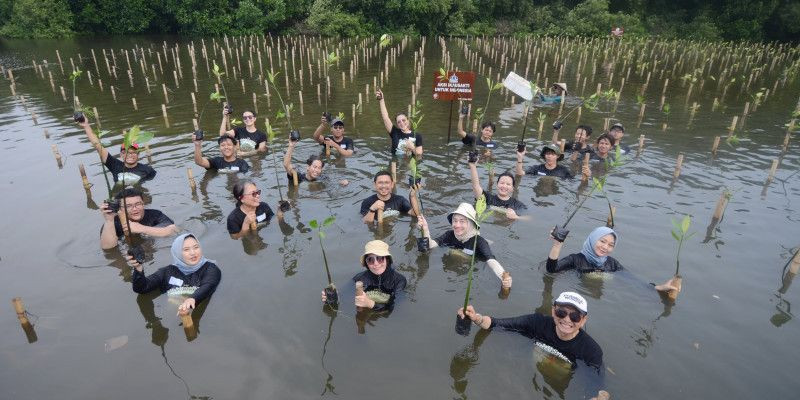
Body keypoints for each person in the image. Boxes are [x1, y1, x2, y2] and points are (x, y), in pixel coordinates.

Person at [458, 292, 610, 399]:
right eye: (561, 313)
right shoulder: (537, 323)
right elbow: (497, 323)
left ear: (584, 320)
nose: (567, 320)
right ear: (553, 310)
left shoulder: (591, 350)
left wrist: (598, 396)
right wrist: (475, 318)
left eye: (575, 316)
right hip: (535, 371)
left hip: (561, 379)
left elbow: (596, 382)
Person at [548, 226, 682, 294]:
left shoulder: (612, 264)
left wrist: (659, 288)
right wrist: (557, 245)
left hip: (599, 293)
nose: (605, 247)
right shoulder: (575, 259)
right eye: (602, 241)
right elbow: (551, 270)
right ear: (593, 239)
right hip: (581, 291)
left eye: (611, 245)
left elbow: (633, 281)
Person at [417, 203, 512, 288]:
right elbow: (431, 245)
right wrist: (425, 228)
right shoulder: (449, 235)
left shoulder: (478, 241)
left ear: (471, 223)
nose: (457, 225)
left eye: (462, 221)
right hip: (453, 266)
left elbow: (491, 260)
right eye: (455, 221)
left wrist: (503, 276)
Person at [126, 234, 221, 316]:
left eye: (196, 247)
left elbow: (209, 285)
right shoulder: (168, 272)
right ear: (177, 252)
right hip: (172, 316)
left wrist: (192, 299)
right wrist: (138, 269)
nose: (193, 253)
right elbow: (142, 289)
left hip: (196, 312)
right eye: (186, 249)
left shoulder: (211, 269)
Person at [321, 240, 407, 312]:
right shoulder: (360, 278)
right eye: (370, 259)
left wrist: (371, 304)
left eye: (380, 258)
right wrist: (331, 298)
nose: (376, 264)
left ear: (387, 259)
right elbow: (343, 295)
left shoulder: (399, 280)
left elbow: (395, 307)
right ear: (366, 263)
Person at [78, 118, 156, 184]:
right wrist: (86, 126)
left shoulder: (148, 170)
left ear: (138, 154)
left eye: (133, 152)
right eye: (125, 152)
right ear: (121, 155)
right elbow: (98, 146)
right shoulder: (115, 165)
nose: (129, 155)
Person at [100, 188, 177, 250]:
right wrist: (109, 220)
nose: (135, 209)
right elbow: (108, 248)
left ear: (143, 204)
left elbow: (174, 230)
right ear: (120, 209)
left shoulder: (155, 215)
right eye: (128, 206)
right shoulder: (113, 222)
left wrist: (142, 228)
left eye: (138, 204)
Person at [283, 135, 348, 186]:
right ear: (308, 167)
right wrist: (291, 146)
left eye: (319, 168)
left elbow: (332, 182)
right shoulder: (298, 176)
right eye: (314, 167)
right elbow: (286, 165)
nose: (316, 170)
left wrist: (341, 182)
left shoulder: (322, 177)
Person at [376, 89, 423, 157]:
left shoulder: (417, 136)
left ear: (408, 120)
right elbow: (385, 118)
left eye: (403, 120)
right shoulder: (394, 132)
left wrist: (412, 147)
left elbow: (419, 156)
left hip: (409, 165)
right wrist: (381, 100)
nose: (401, 123)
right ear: (397, 124)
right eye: (399, 122)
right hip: (395, 164)